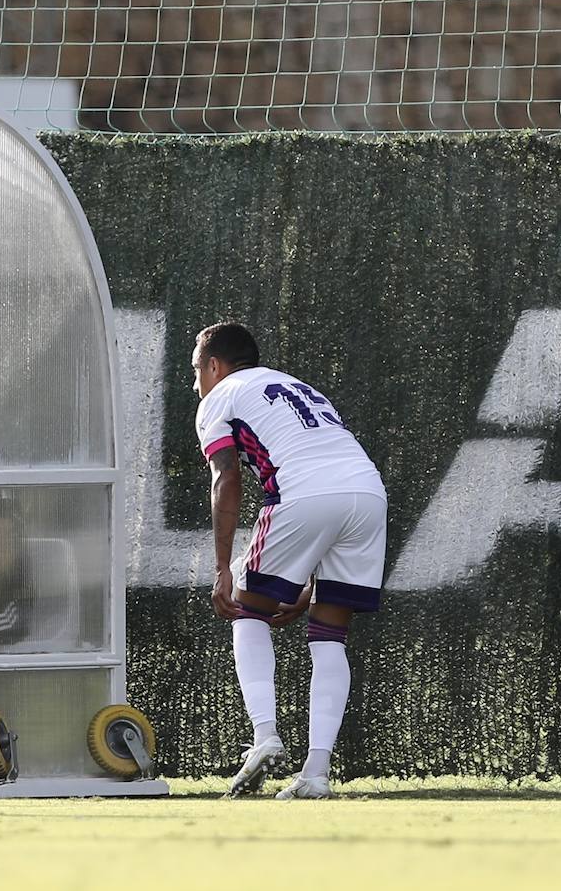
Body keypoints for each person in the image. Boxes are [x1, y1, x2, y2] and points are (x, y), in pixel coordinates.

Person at [192, 322, 387, 799]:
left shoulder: (219, 397)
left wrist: (222, 568)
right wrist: (307, 581)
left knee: (245, 606)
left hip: (303, 493)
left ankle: (264, 736)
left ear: (215, 366)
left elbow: (228, 479)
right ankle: (316, 773)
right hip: (368, 493)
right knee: (330, 634)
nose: (195, 381)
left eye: (197, 369)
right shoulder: (299, 386)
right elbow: (331, 476)